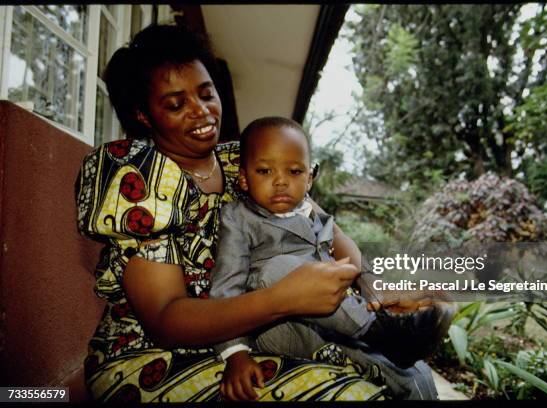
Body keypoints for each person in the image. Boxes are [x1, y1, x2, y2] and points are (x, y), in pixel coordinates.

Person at [75, 23, 443, 402]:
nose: (201, 112)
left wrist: (371, 290)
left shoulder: (247, 159)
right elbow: (166, 319)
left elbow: (331, 236)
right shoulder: (137, 177)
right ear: (143, 114)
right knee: (355, 396)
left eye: (206, 94)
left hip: (275, 330)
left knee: (414, 378)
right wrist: (281, 300)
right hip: (160, 356)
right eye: (176, 104)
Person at [210, 116, 455, 400]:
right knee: (282, 268)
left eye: (294, 171)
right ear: (243, 178)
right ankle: (378, 330)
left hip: (328, 327)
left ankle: (392, 347)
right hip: (275, 325)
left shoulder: (310, 211)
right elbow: (225, 289)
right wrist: (235, 354)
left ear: (309, 178)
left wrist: (372, 288)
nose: (280, 181)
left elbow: (339, 251)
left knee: (413, 373)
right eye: (264, 171)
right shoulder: (238, 217)